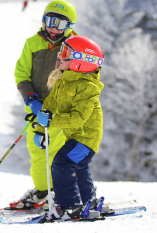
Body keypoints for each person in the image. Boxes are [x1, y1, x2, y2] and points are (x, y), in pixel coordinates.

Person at [11, 0, 77, 210]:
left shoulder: (75, 45)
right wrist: (31, 99)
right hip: (37, 111)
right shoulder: (33, 43)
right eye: (49, 21)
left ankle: (61, 192)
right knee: (37, 151)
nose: (52, 27)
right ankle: (42, 190)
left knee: (58, 151)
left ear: (69, 26)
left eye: (59, 24)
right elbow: (21, 73)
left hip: (60, 112)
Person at [37, 35, 105, 222]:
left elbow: (77, 118)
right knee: (78, 167)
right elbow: (49, 106)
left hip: (86, 138)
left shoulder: (88, 88)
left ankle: (69, 205)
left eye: (66, 53)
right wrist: (39, 127)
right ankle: (87, 201)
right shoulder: (63, 80)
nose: (60, 56)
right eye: (62, 51)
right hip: (76, 137)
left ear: (81, 62)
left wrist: (51, 121)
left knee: (62, 163)